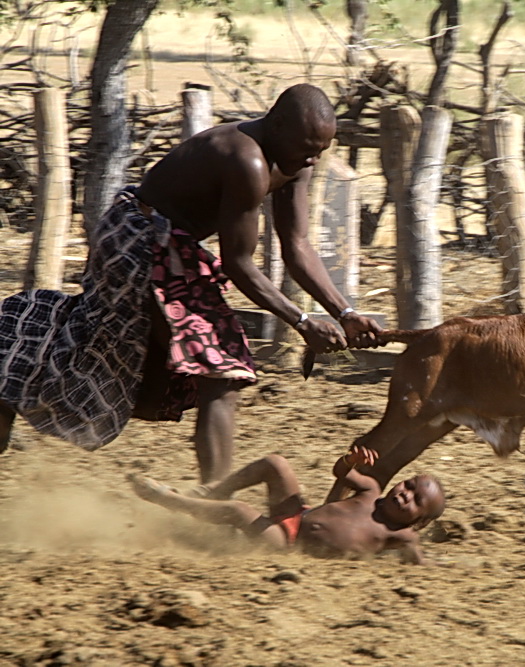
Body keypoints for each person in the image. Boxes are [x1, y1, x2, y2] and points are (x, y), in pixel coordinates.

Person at [0, 83, 381, 483]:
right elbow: (237, 263)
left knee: (154, 360)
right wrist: (302, 322)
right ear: (278, 123)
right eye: (308, 146)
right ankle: (214, 501)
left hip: (171, 244)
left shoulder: (296, 159)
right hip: (140, 237)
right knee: (218, 366)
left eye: (322, 148)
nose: (315, 158)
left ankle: (14, 349)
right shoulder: (246, 160)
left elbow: (298, 246)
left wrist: (346, 313)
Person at [128, 446, 446, 564]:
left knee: (240, 513)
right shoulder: (371, 490)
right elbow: (341, 472)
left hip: (289, 542)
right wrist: (351, 460)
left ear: (418, 522)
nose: (405, 494)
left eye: (416, 500)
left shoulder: (401, 534)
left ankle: (169, 500)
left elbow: (417, 559)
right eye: (409, 485)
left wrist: (433, 561)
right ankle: (214, 491)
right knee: (276, 463)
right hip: (299, 513)